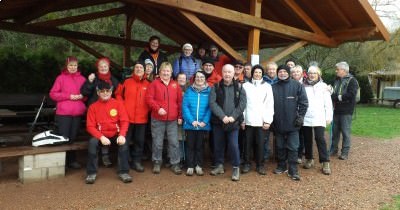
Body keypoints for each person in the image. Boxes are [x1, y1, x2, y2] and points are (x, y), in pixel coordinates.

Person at [85, 81, 132, 184]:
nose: (105, 93)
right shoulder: (93, 107)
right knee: (92, 143)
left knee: (124, 143)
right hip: (101, 135)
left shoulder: (118, 104)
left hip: (115, 134)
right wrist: (101, 137)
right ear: (98, 93)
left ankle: (123, 172)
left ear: (111, 92)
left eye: (108, 91)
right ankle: (91, 173)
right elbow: (90, 126)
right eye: (102, 91)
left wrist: (122, 135)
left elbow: (124, 121)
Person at [209, 64, 246, 181]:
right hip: (219, 122)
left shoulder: (240, 87)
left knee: (234, 146)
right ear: (222, 72)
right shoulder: (216, 87)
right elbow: (212, 103)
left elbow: (242, 104)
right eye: (225, 72)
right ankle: (219, 165)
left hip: (233, 123)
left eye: (229, 72)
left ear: (233, 72)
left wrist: (233, 117)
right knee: (218, 145)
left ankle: (236, 167)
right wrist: (222, 116)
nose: (227, 74)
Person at [81, 57, 120, 167]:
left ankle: (105, 156)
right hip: (95, 110)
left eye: (105, 66)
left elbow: (119, 92)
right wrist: (89, 81)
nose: (103, 68)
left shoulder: (113, 79)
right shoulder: (94, 78)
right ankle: (95, 159)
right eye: (101, 66)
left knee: (108, 131)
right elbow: (84, 92)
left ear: (108, 67)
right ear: (97, 68)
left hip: (109, 110)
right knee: (96, 135)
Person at [146, 62, 183, 175]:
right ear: (160, 72)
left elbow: (180, 102)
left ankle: (175, 163)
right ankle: (157, 162)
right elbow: (149, 99)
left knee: (174, 142)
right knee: (157, 142)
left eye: (168, 71)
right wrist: (158, 109)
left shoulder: (175, 85)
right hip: (157, 118)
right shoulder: (154, 84)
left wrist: (180, 116)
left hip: (172, 119)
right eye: (164, 70)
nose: (166, 73)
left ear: (171, 72)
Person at [272, 65, 308, 181]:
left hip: (293, 123)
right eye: (280, 72)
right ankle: (281, 166)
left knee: (293, 147)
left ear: (288, 73)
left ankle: (293, 170)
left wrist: (300, 117)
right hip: (278, 123)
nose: (282, 73)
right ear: (277, 74)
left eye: (284, 71)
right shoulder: (273, 87)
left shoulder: (297, 85)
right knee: (280, 146)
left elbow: (304, 103)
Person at [49, 56, 86, 169]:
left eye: (75, 65)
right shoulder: (61, 78)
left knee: (73, 138)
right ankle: (62, 162)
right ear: (67, 66)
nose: (73, 67)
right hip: (64, 113)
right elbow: (53, 94)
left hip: (77, 112)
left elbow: (87, 94)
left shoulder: (83, 79)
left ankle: (72, 160)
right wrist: (69, 96)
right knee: (63, 137)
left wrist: (82, 96)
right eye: (71, 65)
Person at [115, 61, 150, 172]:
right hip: (127, 118)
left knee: (139, 142)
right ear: (133, 69)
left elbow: (151, 100)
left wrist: (146, 110)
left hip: (142, 118)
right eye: (137, 67)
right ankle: (123, 163)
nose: (139, 69)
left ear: (144, 70)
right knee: (124, 141)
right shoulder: (126, 81)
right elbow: (118, 94)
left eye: (141, 68)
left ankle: (136, 162)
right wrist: (122, 107)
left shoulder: (148, 84)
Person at [241, 64, 274, 175]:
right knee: (247, 143)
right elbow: (242, 104)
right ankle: (246, 163)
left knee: (260, 144)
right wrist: (243, 120)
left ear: (262, 74)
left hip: (261, 121)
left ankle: (260, 165)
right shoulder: (245, 86)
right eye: (256, 72)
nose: (257, 74)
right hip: (249, 120)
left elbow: (269, 104)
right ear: (252, 73)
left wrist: (267, 120)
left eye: (260, 72)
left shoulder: (267, 87)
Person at [303, 66, 333, 175]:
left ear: (318, 74)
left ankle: (325, 162)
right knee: (307, 139)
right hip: (305, 117)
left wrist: (329, 116)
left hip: (319, 116)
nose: (312, 75)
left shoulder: (324, 86)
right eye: (310, 73)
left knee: (320, 138)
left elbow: (328, 103)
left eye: (314, 73)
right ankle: (309, 159)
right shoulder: (303, 86)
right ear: (307, 74)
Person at [182, 71, 212, 176]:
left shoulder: (209, 91)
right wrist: (191, 121)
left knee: (200, 146)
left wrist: (205, 121)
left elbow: (210, 108)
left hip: (203, 125)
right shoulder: (189, 91)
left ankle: (198, 165)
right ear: (194, 79)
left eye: (202, 77)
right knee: (190, 145)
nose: (199, 79)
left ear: (205, 79)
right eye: (197, 77)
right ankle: (190, 166)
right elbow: (185, 107)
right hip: (191, 124)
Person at [331, 61, 359, 160]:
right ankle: (333, 150)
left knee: (345, 133)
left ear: (343, 70)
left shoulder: (352, 81)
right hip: (336, 110)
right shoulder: (337, 80)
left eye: (337, 69)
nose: (336, 71)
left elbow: (351, 95)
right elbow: (332, 94)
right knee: (334, 132)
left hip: (346, 111)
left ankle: (345, 153)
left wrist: (337, 97)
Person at [262, 61, 278, 161]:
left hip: (278, 111)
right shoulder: (262, 81)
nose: (271, 71)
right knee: (265, 135)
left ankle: (277, 155)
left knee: (278, 135)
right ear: (266, 71)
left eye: (273, 69)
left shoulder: (280, 80)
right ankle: (265, 154)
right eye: (269, 69)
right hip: (266, 111)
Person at [290, 65, 305, 164]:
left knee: (302, 135)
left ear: (302, 73)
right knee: (294, 135)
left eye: (297, 72)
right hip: (291, 113)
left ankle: (299, 154)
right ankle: (291, 154)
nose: (295, 74)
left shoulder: (306, 83)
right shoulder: (289, 83)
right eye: (294, 72)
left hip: (302, 113)